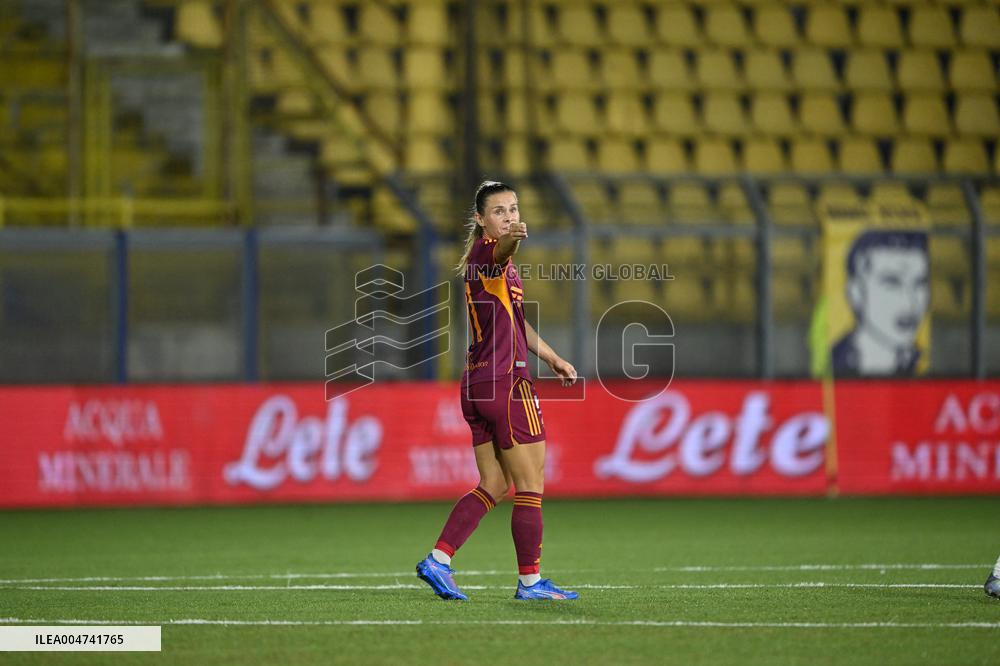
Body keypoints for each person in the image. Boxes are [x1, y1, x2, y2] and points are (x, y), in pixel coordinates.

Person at [415, 180, 579, 601]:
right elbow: (502, 251)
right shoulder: (489, 254)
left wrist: (553, 357)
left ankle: (439, 559)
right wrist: (511, 241)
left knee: (493, 482)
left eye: (514, 209)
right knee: (532, 483)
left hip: (477, 383)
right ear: (480, 219)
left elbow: (516, 322)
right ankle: (530, 582)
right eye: (500, 211)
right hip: (506, 383)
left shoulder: (487, 265)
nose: (509, 216)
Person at [831, 230, 930, 377]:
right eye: (892, 282)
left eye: (920, 283)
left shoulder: (922, 362)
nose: (910, 302)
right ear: (856, 291)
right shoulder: (831, 361)